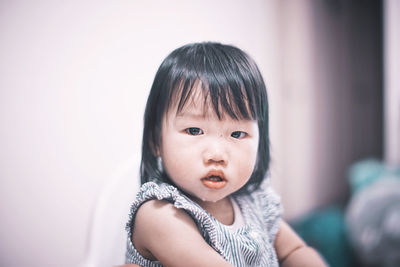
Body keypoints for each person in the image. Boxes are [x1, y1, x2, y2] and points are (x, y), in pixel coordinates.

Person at [124, 42, 326, 266]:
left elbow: (294, 251)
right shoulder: (159, 214)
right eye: (194, 131)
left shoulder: (255, 204)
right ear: (156, 141)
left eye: (237, 134)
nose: (217, 154)